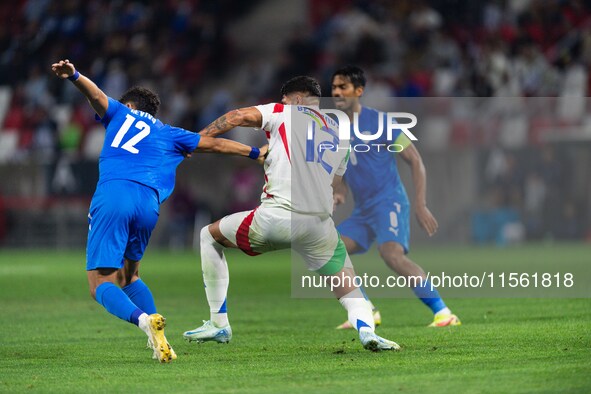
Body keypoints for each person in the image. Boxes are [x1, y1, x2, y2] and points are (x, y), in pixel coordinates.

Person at [51, 59, 267, 363]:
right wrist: (255, 152)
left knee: (100, 281)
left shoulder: (120, 113)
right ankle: (157, 331)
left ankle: (144, 321)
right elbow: (215, 145)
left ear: (129, 104)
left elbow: (96, 96)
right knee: (130, 275)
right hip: (149, 205)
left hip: (116, 193)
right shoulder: (171, 133)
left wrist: (73, 75)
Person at [183, 76, 399, 351]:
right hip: (319, 226)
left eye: (284, 98)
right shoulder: (338, 131)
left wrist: (197, 138)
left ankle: (218, 324)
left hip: (275, 219)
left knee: (208, 236)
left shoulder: (282, 111)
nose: (281, 102)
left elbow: (236, 116)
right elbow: (334, 182)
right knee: (349, 288)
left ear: (296, 98)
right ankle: (368, 332)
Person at [331, 65, 460, 328]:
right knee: (329, 251)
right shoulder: (335, 129)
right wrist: (339, 191)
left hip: (389, 201)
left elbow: (415, 160)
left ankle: (444, 313)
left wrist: (420, 204)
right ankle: (365, 309)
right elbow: (341, 169)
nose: (336, 92)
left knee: (392, 255)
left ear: (359, 91)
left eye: (342, 87)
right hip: (363, 210)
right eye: (333, 87)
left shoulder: (380, 122)